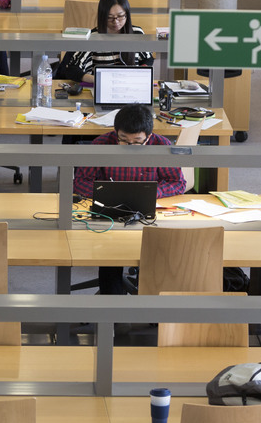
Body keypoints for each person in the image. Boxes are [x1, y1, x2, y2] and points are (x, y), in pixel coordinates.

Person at [72, 104, 186, 295]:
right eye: (123, 140)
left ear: (148, 137)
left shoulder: (162, 146)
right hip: (110, 214)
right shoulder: (101, 144)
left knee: (159, 251)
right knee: (108, 254)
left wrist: (152, 192)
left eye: (136, 142)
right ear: (116, 133)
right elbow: (80, 182)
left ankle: (152, 305)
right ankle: (111, 311)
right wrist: (104, 192)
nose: (129, 147)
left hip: (149, 215)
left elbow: (178, 183)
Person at [65, 0, 154, 83]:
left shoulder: (137, 34)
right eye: (109, 17)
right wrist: (98, 80)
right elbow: (72, 69)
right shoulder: (93, 37)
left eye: (120, 16)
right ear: (102, 16)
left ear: (127, 14)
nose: (115, 22)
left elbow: (147, 58)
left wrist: (142, 72)